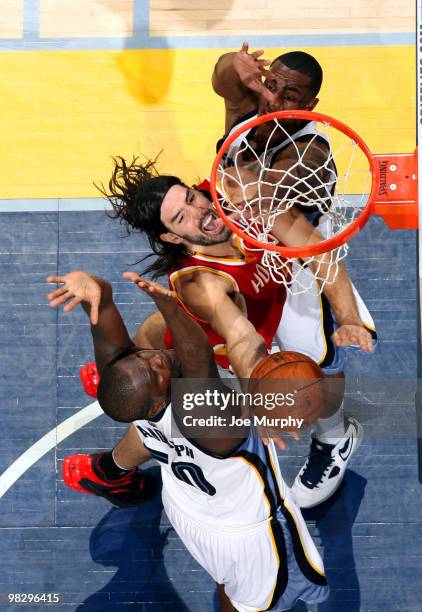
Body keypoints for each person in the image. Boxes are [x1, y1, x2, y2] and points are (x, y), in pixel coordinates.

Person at [48, 270, 330, 611]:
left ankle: (113, 471)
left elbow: (104, 318)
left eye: (140, 356)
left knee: (227, 583)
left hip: (189, 508)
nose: (153, 358)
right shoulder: (203, 419)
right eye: (155, 372)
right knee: (255, 604)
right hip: (248, 533)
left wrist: (98, 292)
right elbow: (198, 359)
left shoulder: (139, 396)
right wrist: (172, 310)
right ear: (154, 401)